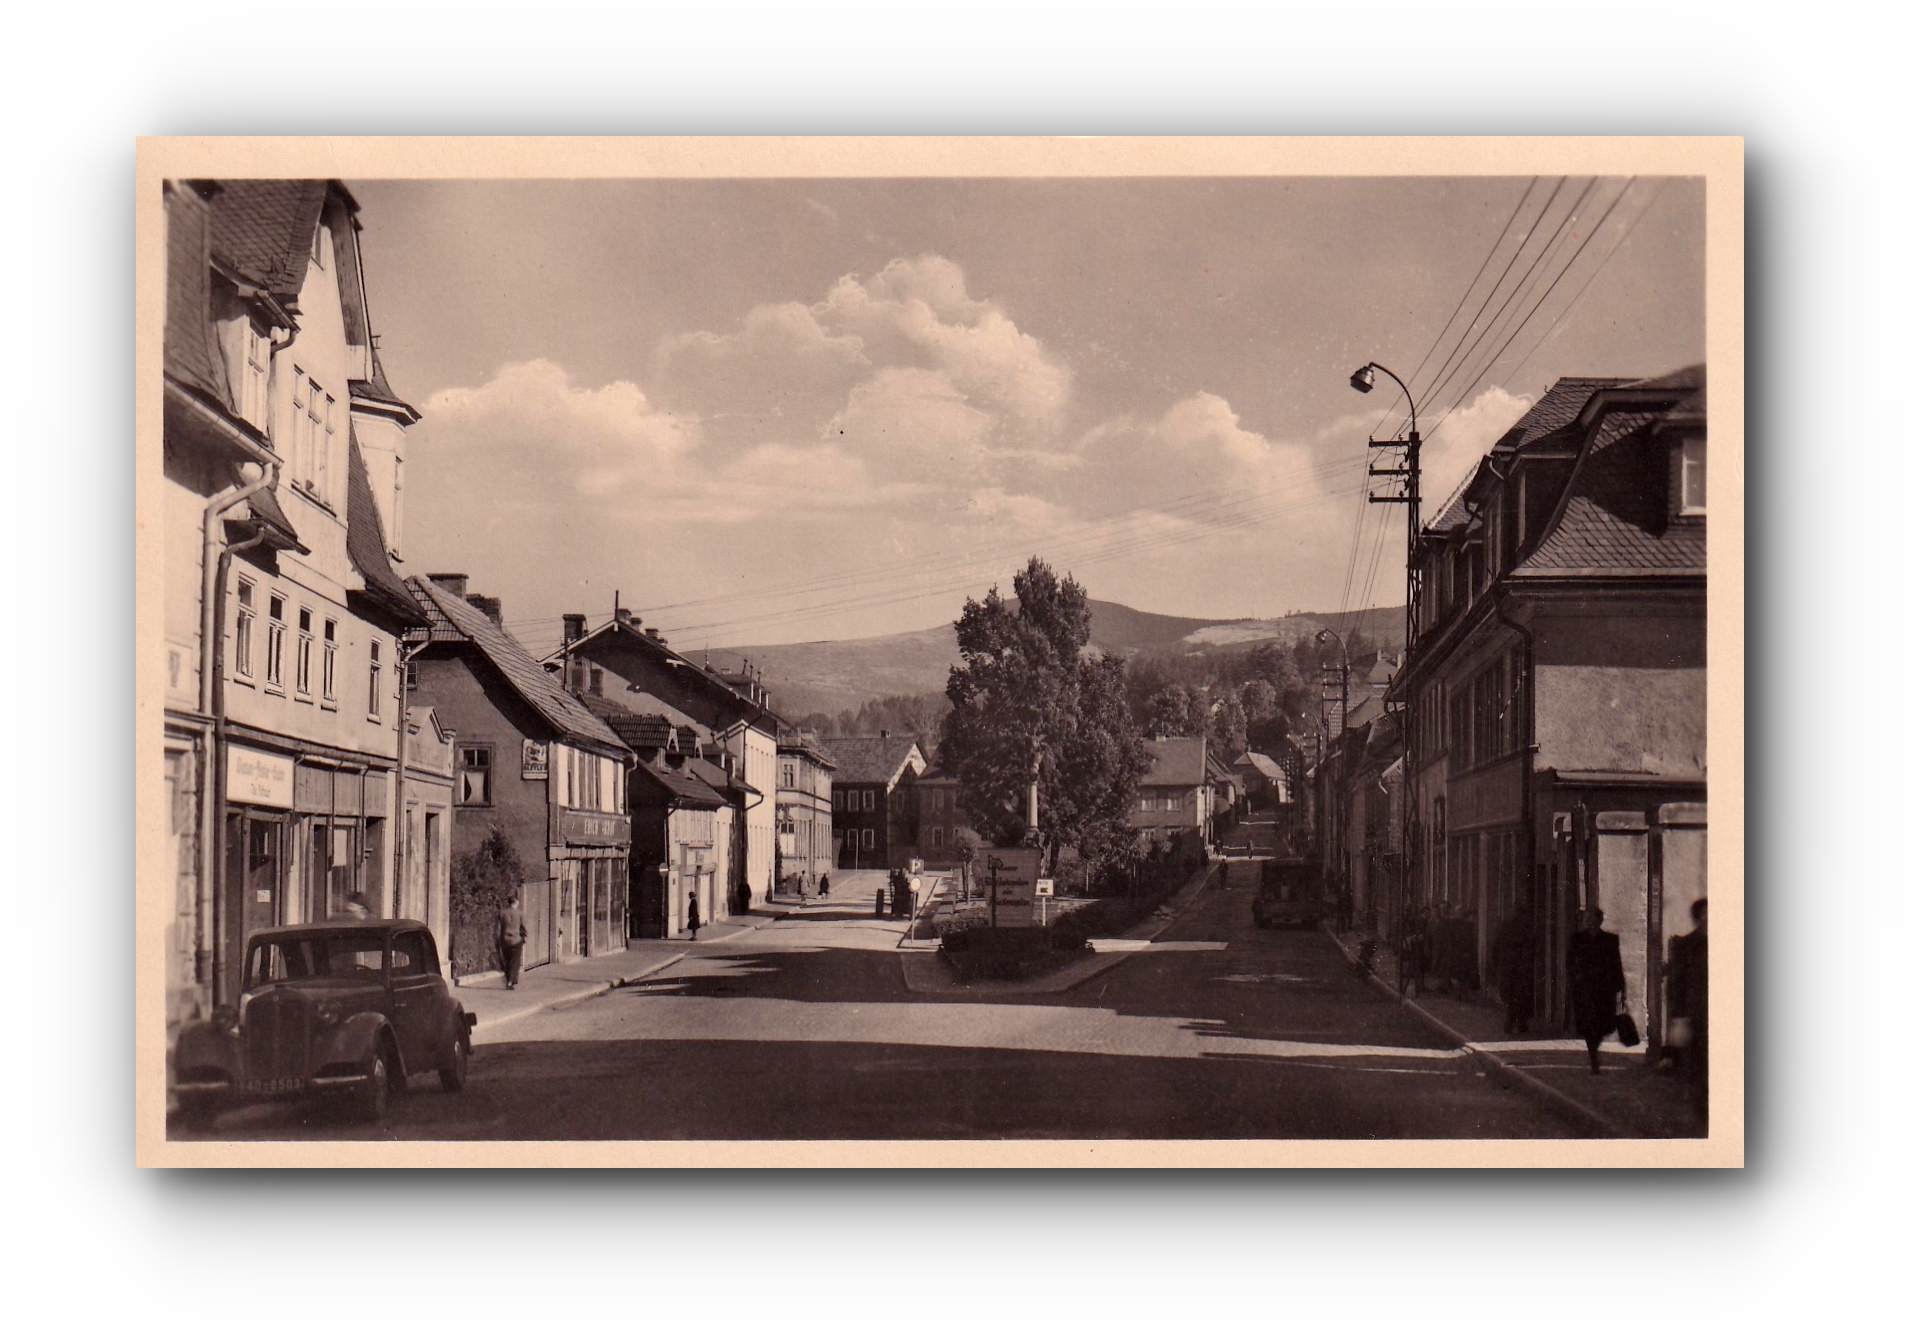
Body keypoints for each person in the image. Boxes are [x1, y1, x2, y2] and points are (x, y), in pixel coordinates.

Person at [1566, 905, 1627, 1073]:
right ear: (1584, 921)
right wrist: (1575, 978)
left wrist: (1621, 987)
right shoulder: (1576, 939)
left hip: (1604, 988)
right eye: (1587, 919)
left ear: (1600, 921)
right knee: (1588, 1023)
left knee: (1603, 1023)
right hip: (1584, 988)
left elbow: (1616, 964)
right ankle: (1593, 1055)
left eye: (1594, 919)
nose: (1591, 922)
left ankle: (1594, 1047)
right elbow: (1569, 963)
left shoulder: (1610, 940)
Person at [1664, 899, 1709, 1117]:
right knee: (1698, 1071)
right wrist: (1679, 1019)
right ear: (1699, 917)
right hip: (1696, 1017)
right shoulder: (1687, 945)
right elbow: (1676, 985)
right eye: (1707, 914)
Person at [1491, 900, 1537, 1035]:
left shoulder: (1505, 925)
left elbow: (1496, 945)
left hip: (1507, 966)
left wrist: (1496, 963)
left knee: (1510, 996)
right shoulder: (1527, 927)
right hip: (1520, 967)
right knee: (1520, 995)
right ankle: (1519, 1023)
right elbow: (1531, 947)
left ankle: (1511, 1023)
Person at [496, 894, 526, 990]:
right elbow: (523, 927)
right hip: (516, 940)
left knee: (507, 960)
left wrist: (498, 939)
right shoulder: (520, 913)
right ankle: (511, 980)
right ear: (515, 902)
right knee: (515, 961)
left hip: (504, 940)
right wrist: (524, 937)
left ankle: (509, 979)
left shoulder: (502, 913)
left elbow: (498, 928)